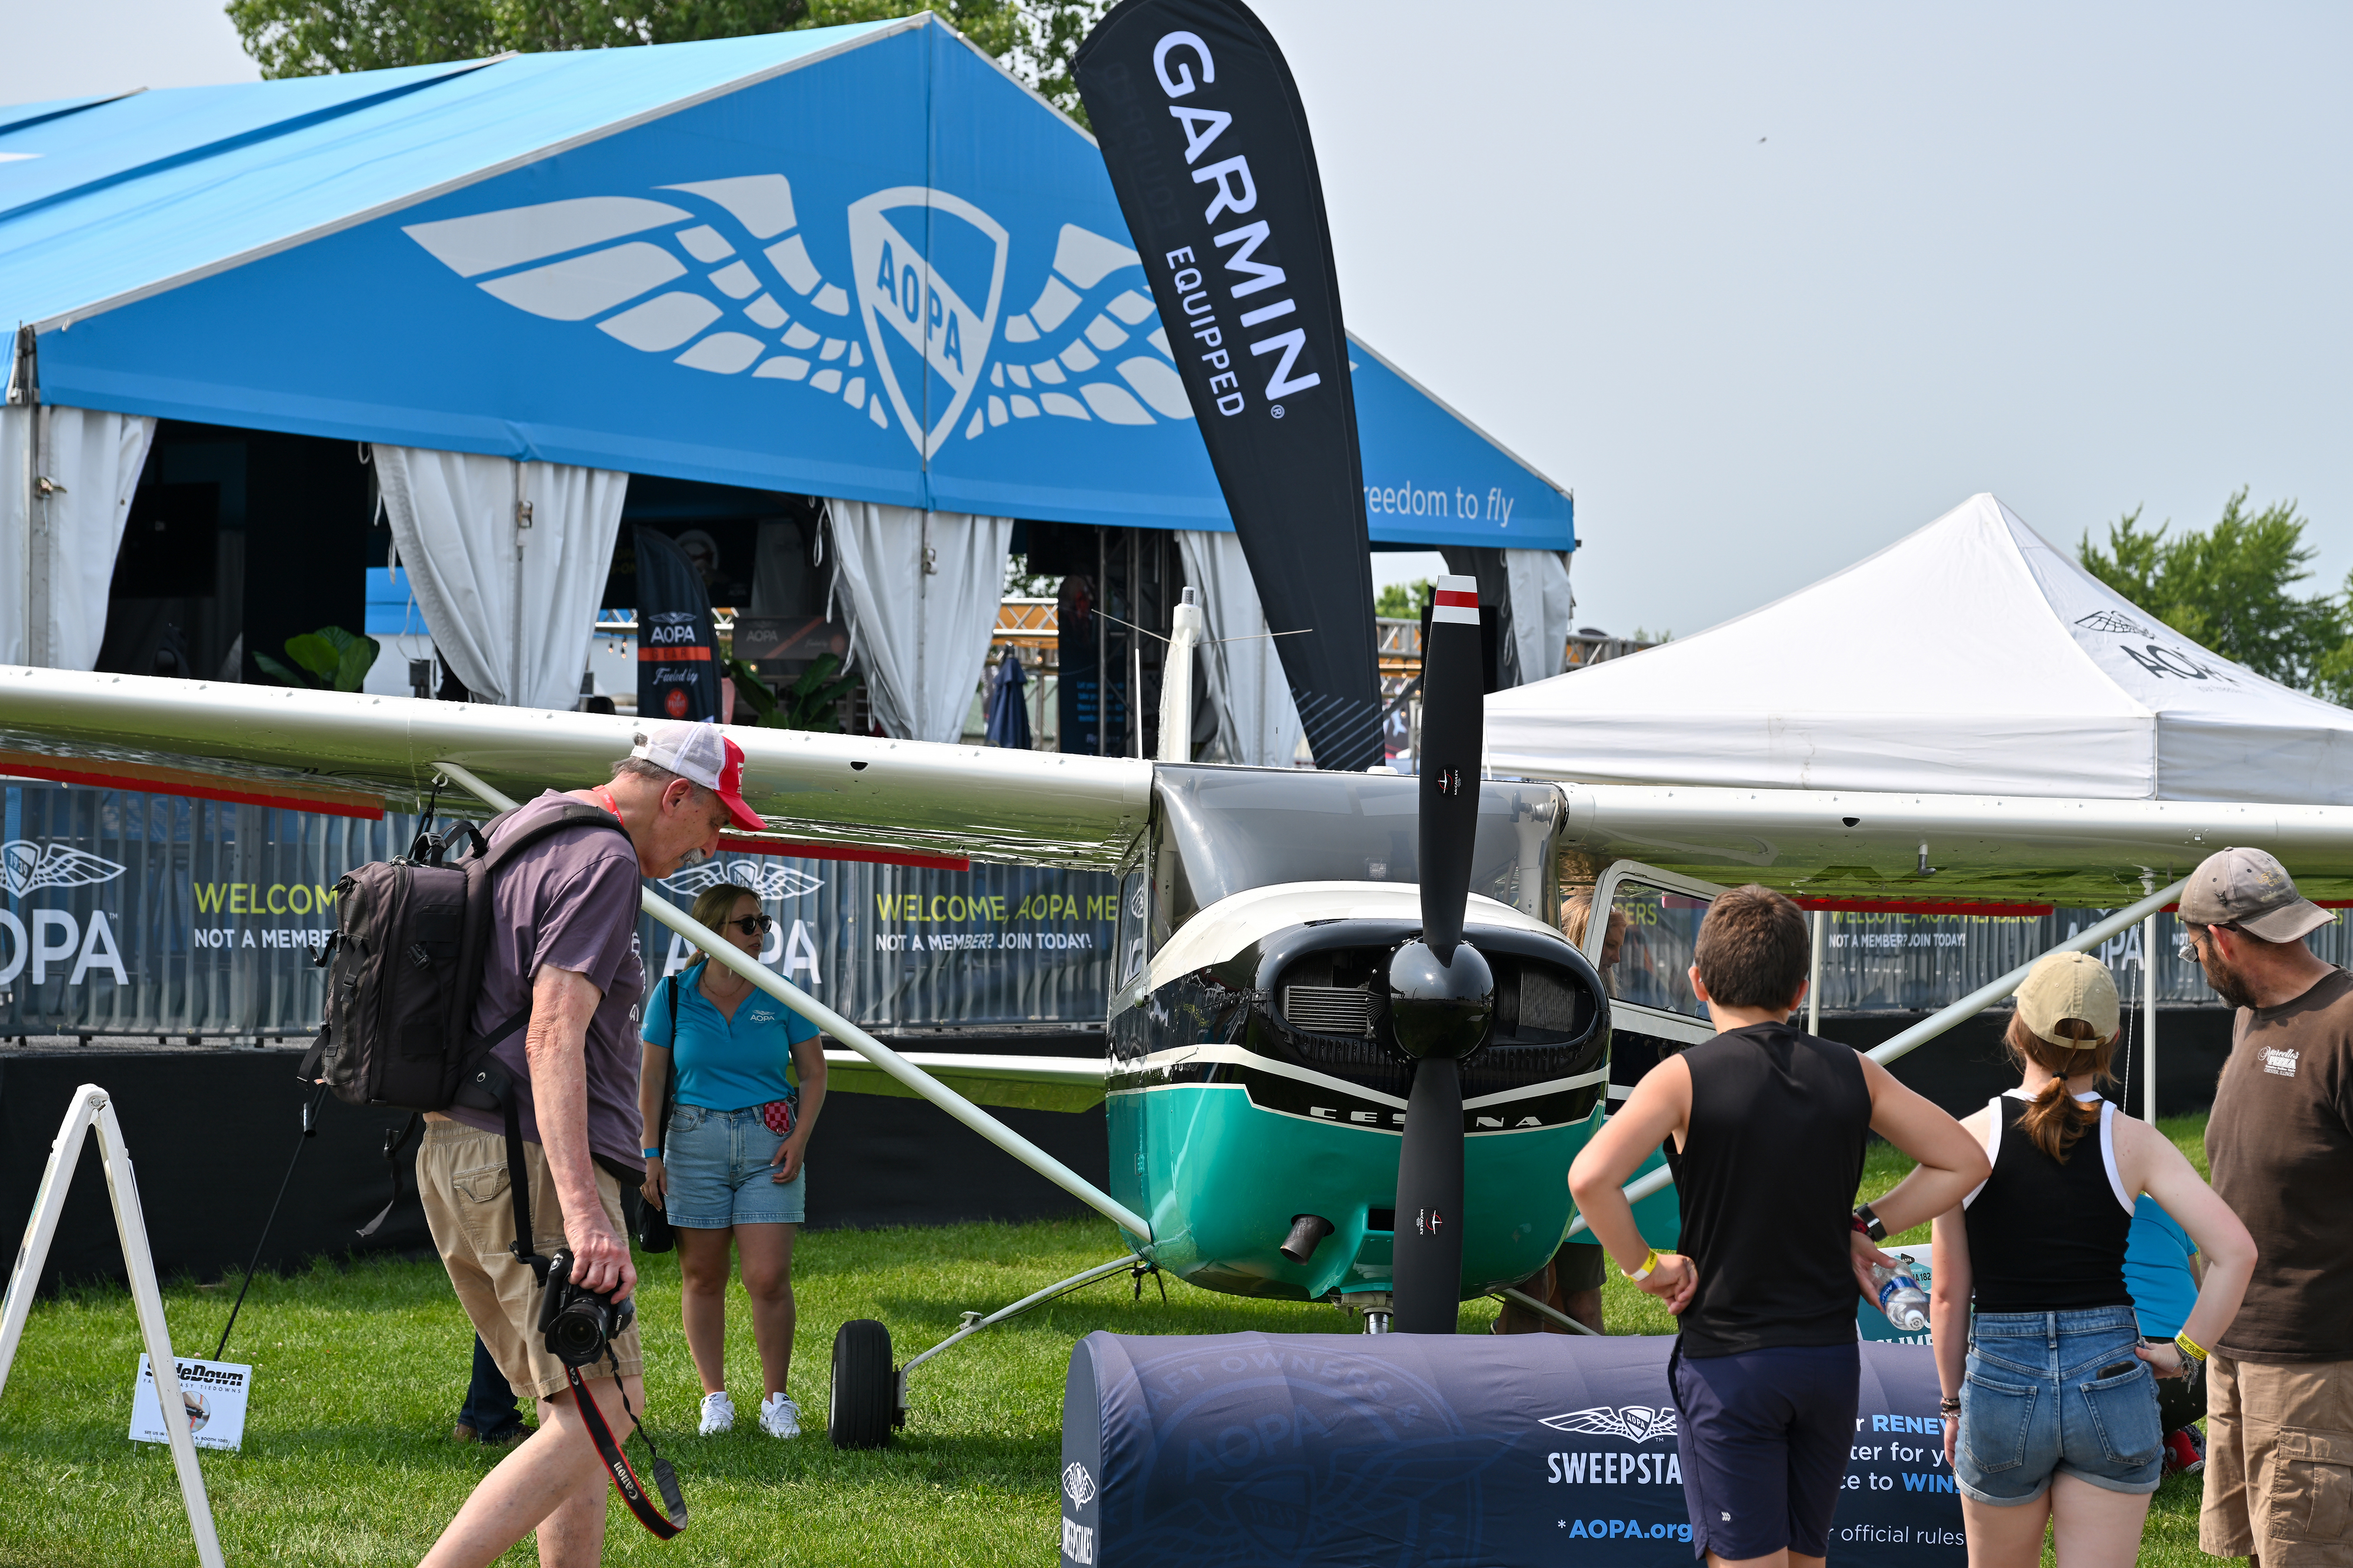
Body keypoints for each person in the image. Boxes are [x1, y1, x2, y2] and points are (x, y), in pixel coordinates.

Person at [416, 721, 764, 1568]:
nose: (713, 846)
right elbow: (552, 1032)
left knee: (573, 1408)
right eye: (715, 821)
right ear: (674, 793)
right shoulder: (604, 858)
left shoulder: (532, 823)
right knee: (610, 1407)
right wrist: (585, 1214)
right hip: (529, 1163)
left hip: (458, 1151)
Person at [1569, 883, 1989, 1568]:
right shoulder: (1852, 1071)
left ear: (1696, 981)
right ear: (1799, 990)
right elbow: (1962, 1159)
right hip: (1828, 1362)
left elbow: (1590, 1178)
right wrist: (1866, 1222)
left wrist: (1648, 1268)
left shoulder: (1680, 1077)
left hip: (1731, 1363)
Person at [1926, 952, 2254, 1568]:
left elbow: (1946, 1295)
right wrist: (2187, 1352)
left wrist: (1950, 1404)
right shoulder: (2133, 1139)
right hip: (2111, 1379)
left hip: (1999, 1380)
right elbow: (2235, 1250)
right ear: (2111, 1040)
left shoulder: (1963, 1137)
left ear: (2016, 1026)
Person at [2178, 846, 2350, 1568]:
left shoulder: (2344, 1023)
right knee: (2259, 1550)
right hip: (2238, 1348)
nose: (2197, 961)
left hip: (2316, 1359)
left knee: (2308, 1554)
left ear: (2221, 938)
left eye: (2193, 947)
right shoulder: (2249, 1018)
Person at [639, 883, 830, 1439]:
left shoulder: (780, 992)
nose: (760, 934)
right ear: (712, 929)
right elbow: (652, 1078)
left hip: (768, 1140)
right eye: (748, 924)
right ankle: (714, 1398)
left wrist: (800, 1135)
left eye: (764, 923)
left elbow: (815, 1074)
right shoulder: (673, 995)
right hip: (692, 1142)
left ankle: (777, 1399)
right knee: (702, 1276)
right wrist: (650, 1153)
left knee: (768, 1277)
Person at [1496, 889, 1626, 1335]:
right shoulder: (1542, 994)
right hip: (1542, 1159)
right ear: (1582, 937)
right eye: (1610, 947)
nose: (1617, 958)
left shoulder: (1608, 997)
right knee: (1533, 1292)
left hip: (1585, 1157)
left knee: (1583, 1300)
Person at [2121, 1196, 2210, 1476]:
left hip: (2122, 1361)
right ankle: (2173, 1441)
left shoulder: (2074, 1208)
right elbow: (2197, 1288)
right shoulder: (2170, 1212)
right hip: (2194, 1369)